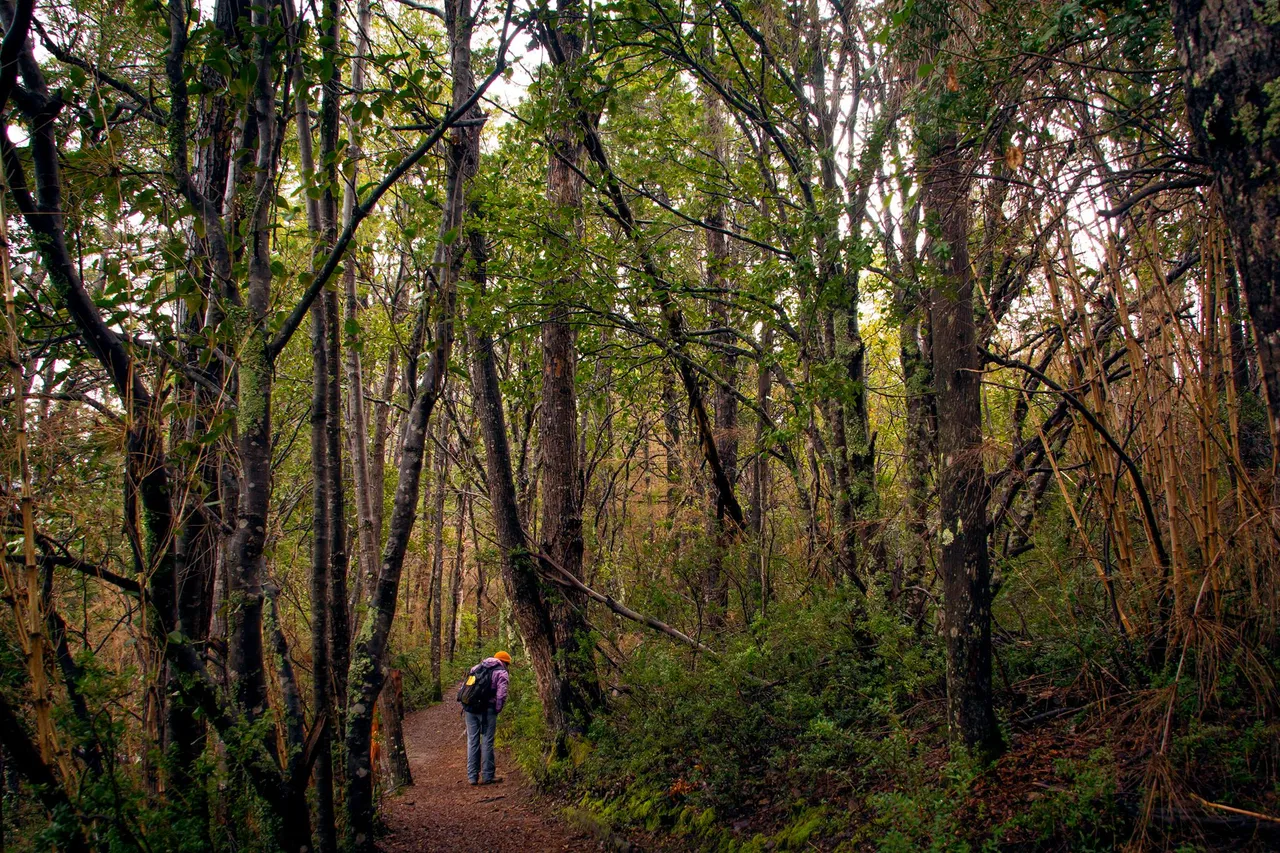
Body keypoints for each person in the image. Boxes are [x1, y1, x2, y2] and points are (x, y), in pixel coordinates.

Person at [461, 650, 510, 785]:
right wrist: (497, 709)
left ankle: (472, 777)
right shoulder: (501, 673)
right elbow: (501, 694)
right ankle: (488, 776)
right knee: (487, 741)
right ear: (505, 663)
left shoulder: (477, 667)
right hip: (488, 709)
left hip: (470, 709)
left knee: (472, 741)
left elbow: (466, 687)